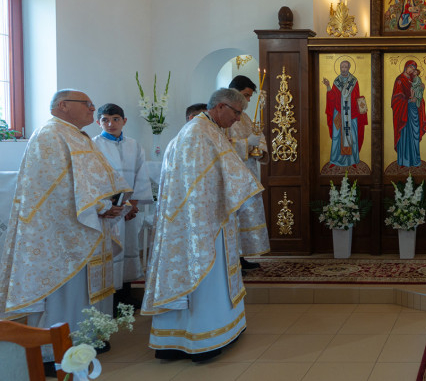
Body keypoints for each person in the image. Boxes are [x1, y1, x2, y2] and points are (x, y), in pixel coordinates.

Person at [0, 90, 130, 371]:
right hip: (60, 234)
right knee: (65, 290)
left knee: (83, 290)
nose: (93, 109)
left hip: (86, 226)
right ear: (63, 105)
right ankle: (52, 351)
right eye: (87, 104)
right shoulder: (50, 135)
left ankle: (86, 339)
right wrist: (100, 206)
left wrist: (114, 202)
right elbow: (56, 189)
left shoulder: (77, 135)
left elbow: (96, 179)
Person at [143, 88, 262, 362]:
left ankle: (189, 336)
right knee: (206, 277)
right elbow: (215, 179)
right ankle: (204, 337)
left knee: (206, 277)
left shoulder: (204, 131)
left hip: (202, 219)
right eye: (236, 112)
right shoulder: (200, 133)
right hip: (202, 222)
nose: (238, 119)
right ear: (220, 107)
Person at [93, 103, 154, 309]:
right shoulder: (93, 146)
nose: (110, 124)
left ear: (124, 121)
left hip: (129, 209)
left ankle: (126, 296)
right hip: (108, 210)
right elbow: (94, 178)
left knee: (129, 247)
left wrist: (132, 204)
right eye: (105, 120)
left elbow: (141, 175)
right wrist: (112, 205)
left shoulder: (134, 145)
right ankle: (111, 300)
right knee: (111, 250)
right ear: (98, 122)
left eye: (115, 119)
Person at [227, 76, 270, 270]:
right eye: (246, 95)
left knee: (246, 216)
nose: (248, 100)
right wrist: (247, 144)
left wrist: (259, 147)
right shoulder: (225, 116)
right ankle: (233, 261)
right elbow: (224, 145)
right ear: (233, 92)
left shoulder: (244, 117)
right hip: (233, 176)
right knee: (235, 217)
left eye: (250, 96)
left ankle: (242, 256)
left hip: (249, 173)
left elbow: (257, 137)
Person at [323, 59, 368, 167]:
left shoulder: (354, 81)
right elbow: (332, 97)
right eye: (342, 67)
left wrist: (360, 106)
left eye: (345, 67)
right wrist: (328, 86)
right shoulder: (336, 81)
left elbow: (356, 96)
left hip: (351, 113)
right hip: (339, 112)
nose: (343, 69)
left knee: (352, 136)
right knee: (337, 137)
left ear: (349, 68)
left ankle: (352, 161)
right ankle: (335, 160)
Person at [391, 60, 426, 167]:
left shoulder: (414, 80)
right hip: (403, 113)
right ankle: (404, 161)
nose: (411, 70)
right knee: (405, 135)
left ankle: (415, 160)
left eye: (414, 68)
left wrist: (420, 93)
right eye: (410, 67)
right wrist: (407, 101)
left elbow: (419, 96)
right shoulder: (400, 80)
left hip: (413, 111)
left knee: (414, 136)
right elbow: (396, 99)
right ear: (406, 67)